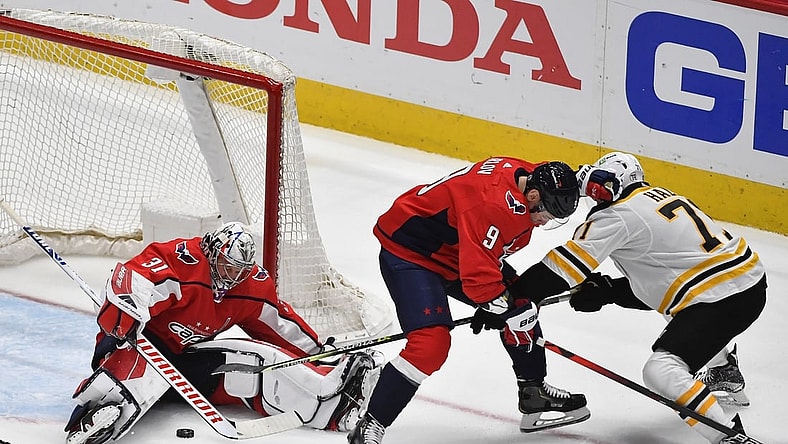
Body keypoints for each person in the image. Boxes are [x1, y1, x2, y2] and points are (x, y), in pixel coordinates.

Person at [504, 152, 766, 444]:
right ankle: (724, 369)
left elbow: (561, 268)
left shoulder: (618, 214)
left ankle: (729, 436)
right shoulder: (656, 196)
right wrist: (609, 292)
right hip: (748, 282)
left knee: (660, 371)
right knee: (680, 305)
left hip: (722, 297)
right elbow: (660, 284)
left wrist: (511, 298)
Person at [65, 221, 381, 444]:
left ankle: (330, 405)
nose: (234, 276)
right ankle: (96, 411)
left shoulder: (249, 286)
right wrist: (129, 311)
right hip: (136, 342)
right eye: (229, 266)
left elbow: (279, 324)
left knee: (248, 366)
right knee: (132, 373)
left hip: (182, 363)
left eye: (241, 270)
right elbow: (136, 276)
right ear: (213, 253)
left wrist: (317, 354)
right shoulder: (182, 261)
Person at [348, 157, 590, 444]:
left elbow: (563, 178)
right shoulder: (493, 205)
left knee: (523, 300)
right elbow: (478, 281)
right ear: (534, 197)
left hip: (457, 249)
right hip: (412, 252)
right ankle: (371, 424)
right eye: (546, 215)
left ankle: (533, 393)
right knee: (430, 346)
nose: (544, 221)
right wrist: (499, 306)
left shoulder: (530, 177)